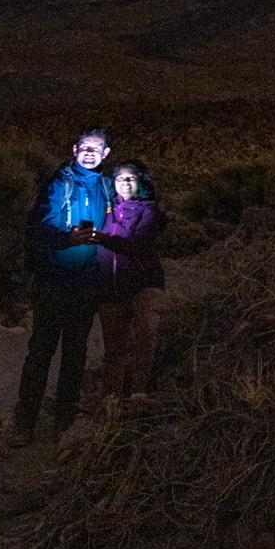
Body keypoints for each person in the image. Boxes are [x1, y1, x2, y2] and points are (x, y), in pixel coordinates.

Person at [15, 127, 114, 439]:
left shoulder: (107, 187)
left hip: (85, 283)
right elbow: (39, 225)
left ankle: (65, 419)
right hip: (53, 280)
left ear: (105, 154)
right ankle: (25, 422)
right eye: (85, 146)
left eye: (96, 148)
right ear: (75, 149)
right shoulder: (60, 182)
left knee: (75, 351)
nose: (89, 152)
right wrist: (66, 238)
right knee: (42, 350)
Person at [95, 162, 168, 399]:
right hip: (111, 287)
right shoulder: (105, 211)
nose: (125, 182)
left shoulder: (149, 210)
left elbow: (139, 244)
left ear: (140, 182)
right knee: (114, 347)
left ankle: (139, 393)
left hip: (144, 283)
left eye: (131, 178)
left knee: (146, 334)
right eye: (120, 178)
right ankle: (111, 401)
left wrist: (101, 239)